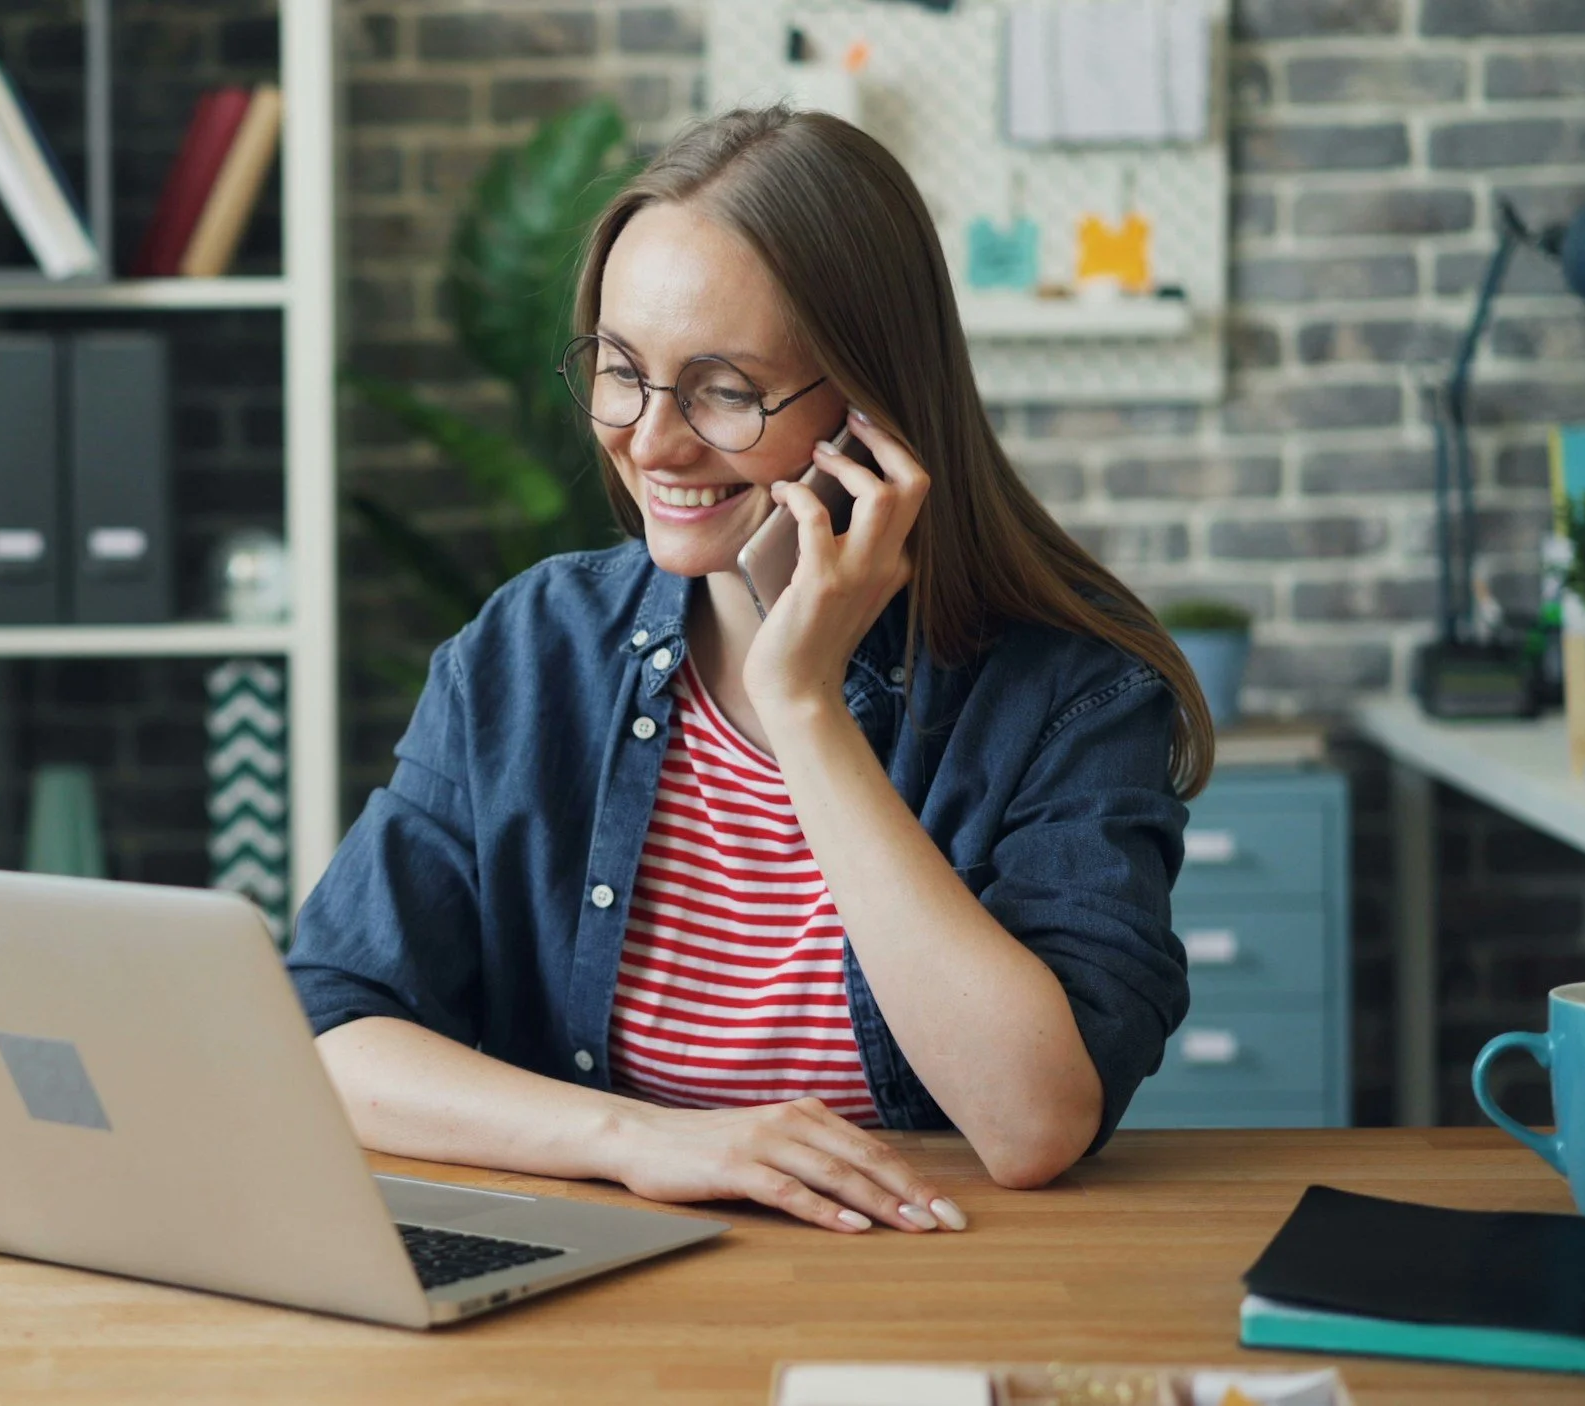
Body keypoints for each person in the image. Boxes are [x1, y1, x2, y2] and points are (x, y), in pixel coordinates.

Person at [285, 107, 1208, 1236]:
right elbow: (332, 1028)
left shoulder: (1071, 688)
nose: (653, 442)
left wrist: (805, 701)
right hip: (614, 1285)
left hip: (937, 1285)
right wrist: (638, 1138)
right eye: (621, 371)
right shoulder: (531, 647)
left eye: (725, 389)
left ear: (871, 407)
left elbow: (1030, 1124)